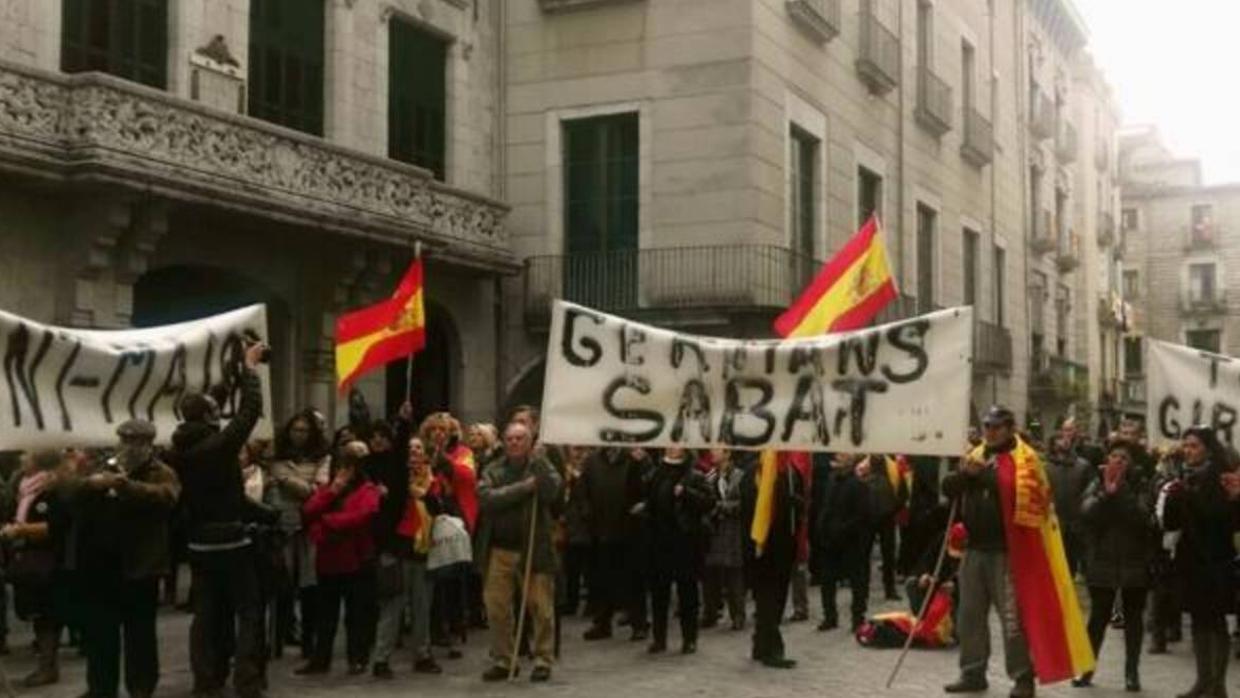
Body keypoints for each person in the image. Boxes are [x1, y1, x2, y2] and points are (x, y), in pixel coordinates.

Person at [168, 339, 267, 698]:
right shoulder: (216, 446)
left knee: (205, 614)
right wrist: (252, 371)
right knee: (249, 611)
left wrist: (232, 373)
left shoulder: (180, 448)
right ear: (210, 417)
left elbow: (216, 408)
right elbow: (249, 413)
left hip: (198, 542)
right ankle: (247, 680)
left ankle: (205, 680)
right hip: (230, 540)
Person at [68, 419, 181, 698]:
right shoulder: (105, 467)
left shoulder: (161, 472)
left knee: (140, 635)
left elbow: (166, 497)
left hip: (140, 567)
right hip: (102, 566)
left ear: (149, 444)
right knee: (101, 634)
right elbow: (72, 494)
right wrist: (91, 484)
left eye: (136, 441)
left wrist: (125, 486)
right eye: (124, 439)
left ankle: (141, 688)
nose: (129, 446)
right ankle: (100, 688)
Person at [941, 406, 1036, 698]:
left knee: (1012, 619)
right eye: (986, 426)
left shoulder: (1024, 458)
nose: (990, 432)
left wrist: (980, 476)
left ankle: (1022, 677)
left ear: (1010, 428)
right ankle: (972, 672)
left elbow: (1016, 492)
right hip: (974, 549)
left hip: (1007, 552)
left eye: (996, 427)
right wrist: (966, 475)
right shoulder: (976, 455)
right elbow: (949, 487)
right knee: (969, 614)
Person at [475, 421, 562, 682]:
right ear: (503, 441)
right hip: (499, 550)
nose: (514, 443)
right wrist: (524, 488)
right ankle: (504, 659)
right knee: (497, 607)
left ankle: (542, 659)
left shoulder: (541, 466)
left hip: (534, 548)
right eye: (510, 439)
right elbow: (488, 499)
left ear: (529, 441)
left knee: (540, 607)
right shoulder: (493, 469)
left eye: (520, 439)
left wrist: (542, 465)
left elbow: (552, 492)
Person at [1160, 426, 1240, 698]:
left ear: (1207, 447)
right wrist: (1170, 498)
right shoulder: (1184, 476)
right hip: (1190, 561)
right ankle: (1202, 680)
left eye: (1193, 446)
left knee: (1215, 621)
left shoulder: (1221, 476)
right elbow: (1172, 524)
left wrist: (1186, 496)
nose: (1188, 451)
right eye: (1185, 446)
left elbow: (1219, 517)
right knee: (1197, 620)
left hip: (1216, 560)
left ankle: (1218, 685)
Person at [1073, 441, 1156, 691]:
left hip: (1134, 561)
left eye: (1124, 457)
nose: (1118, 460)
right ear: (1107, 459)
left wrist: (1121, 491)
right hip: (1102, 560)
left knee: (1133, 619)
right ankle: (1086, 668)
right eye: (1114, 456)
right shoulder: (1097, 481)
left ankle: (1132, 672)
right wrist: (1105, 494)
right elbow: (1086, 511)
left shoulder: (1140, 483)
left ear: (1131, 463)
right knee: (1097, 618)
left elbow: (1142, 517)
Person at [297, 441, 381, 676]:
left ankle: (357, 658)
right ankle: (320, 659)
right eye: (340, 466)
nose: (343, 472)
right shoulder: (328, 490)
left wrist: (328, 522)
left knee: (356, 615)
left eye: (348, 467)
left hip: (356, 560)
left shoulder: (367, 490)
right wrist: (333, 491)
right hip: (328, 560)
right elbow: (309, 511)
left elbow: (362, 517)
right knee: (325, 616)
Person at [372, 436, 445, 678]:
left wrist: (425, 495)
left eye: (418, 448)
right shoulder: (394, 480)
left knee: (422, 607)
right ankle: (381, 658)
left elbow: (440, 510)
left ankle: (423, 655)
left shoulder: (433, 481)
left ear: (425, 454)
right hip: (398, 550)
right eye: (409, 448)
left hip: (424, 551)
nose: (413, 452)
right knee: (392, 608)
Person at [266, 410, 332, 659]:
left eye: (304, 430)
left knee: (309, 586)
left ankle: (308, 641)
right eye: (295, 430)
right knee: (282, 586)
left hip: (309, 526)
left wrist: (285, 479)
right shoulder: (277, 457)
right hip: (283, 526)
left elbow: (317, 490)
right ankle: (278, 639)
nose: (299, 435)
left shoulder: (322, 457)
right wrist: (298, 483)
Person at [1, 449, 67, 687]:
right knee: (37, 613)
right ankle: (45, 665)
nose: (21, 459)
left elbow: (54, 526)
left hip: (46, 560)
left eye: (28, 456)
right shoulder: (24, 488)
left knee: (47, 614)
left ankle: (48, 667)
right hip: (27, 557)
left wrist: (20, 530)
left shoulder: (50, 490)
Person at [644, 446, 714, 655]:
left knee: (687, 593)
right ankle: (659, 638)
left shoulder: (695, 475)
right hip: (659, 541)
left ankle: (689, 638)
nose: (673, 449)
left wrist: (686, 493)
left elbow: (709, 502)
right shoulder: (656, 472)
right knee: (659, 594)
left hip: (685, 542)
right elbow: (648, 500)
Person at [743, 451, 807, 669]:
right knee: (766, 597)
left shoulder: (791, 472)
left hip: (784, 545)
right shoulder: (755, 472)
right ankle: (773, 649)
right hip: (763, 547)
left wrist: (795, 503)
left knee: (776, 597)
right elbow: (749, 508)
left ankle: (761, 643)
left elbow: (802, 504)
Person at [580, 447, 646, 641]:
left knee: (634, 580)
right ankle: (602, 622)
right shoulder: (592, 461)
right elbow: (583, 489)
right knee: (601, 579)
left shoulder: (636, 458)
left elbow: (647, 487)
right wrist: (586, 512)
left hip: (629, 528)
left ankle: (639, 623)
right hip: (601, 528)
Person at [815, 452, 872, 632]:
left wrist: (843, 529)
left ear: (851, 460)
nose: (838, 457)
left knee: (857, 581)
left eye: (843, 455)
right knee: (827, 581)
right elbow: (825, 506)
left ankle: (857, 617)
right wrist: (822, 527)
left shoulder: (858, 485)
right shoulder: (831, 480)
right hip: (829, 540)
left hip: (851, 541)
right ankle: (830, 616)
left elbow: (862, 515)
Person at [701, 449, 747, 631]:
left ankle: (738, 615)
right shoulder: (710, 476)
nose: (713, 452)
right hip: (713, 531)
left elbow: (744, 502)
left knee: (734, 575)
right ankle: (710, 612)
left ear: (727, 454)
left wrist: (721, 507)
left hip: (732, 530)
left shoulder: (739, 477)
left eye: (717, 450)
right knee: (710, 574)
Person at [1046, 424, 1094, 578]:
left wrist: (1082, 510)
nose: (1064, 441)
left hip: (1075, 523)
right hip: (1053, 522)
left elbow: (1090, 490)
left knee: (1071, 565)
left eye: (1067, 437)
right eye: (1060, 438)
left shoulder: (1083, 466)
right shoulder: (1046, 467)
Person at [858, 453, 908, 602]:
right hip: (867, 518)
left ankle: (890, 589)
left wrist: (893, 508)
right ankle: (862, 590)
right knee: (863, 555)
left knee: (889, 555)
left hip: (887, 517)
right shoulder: (861, 466)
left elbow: (903, 492)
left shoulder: (894, 466)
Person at [559, 445, 592, 617]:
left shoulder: (589, 470)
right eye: (575, 450)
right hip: (568, 522)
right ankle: (570, 601)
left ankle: (592, 604)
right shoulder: (563, 470)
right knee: (570, 565)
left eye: (582, 450)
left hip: (584, 522)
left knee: (587, 565)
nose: (579, 454)